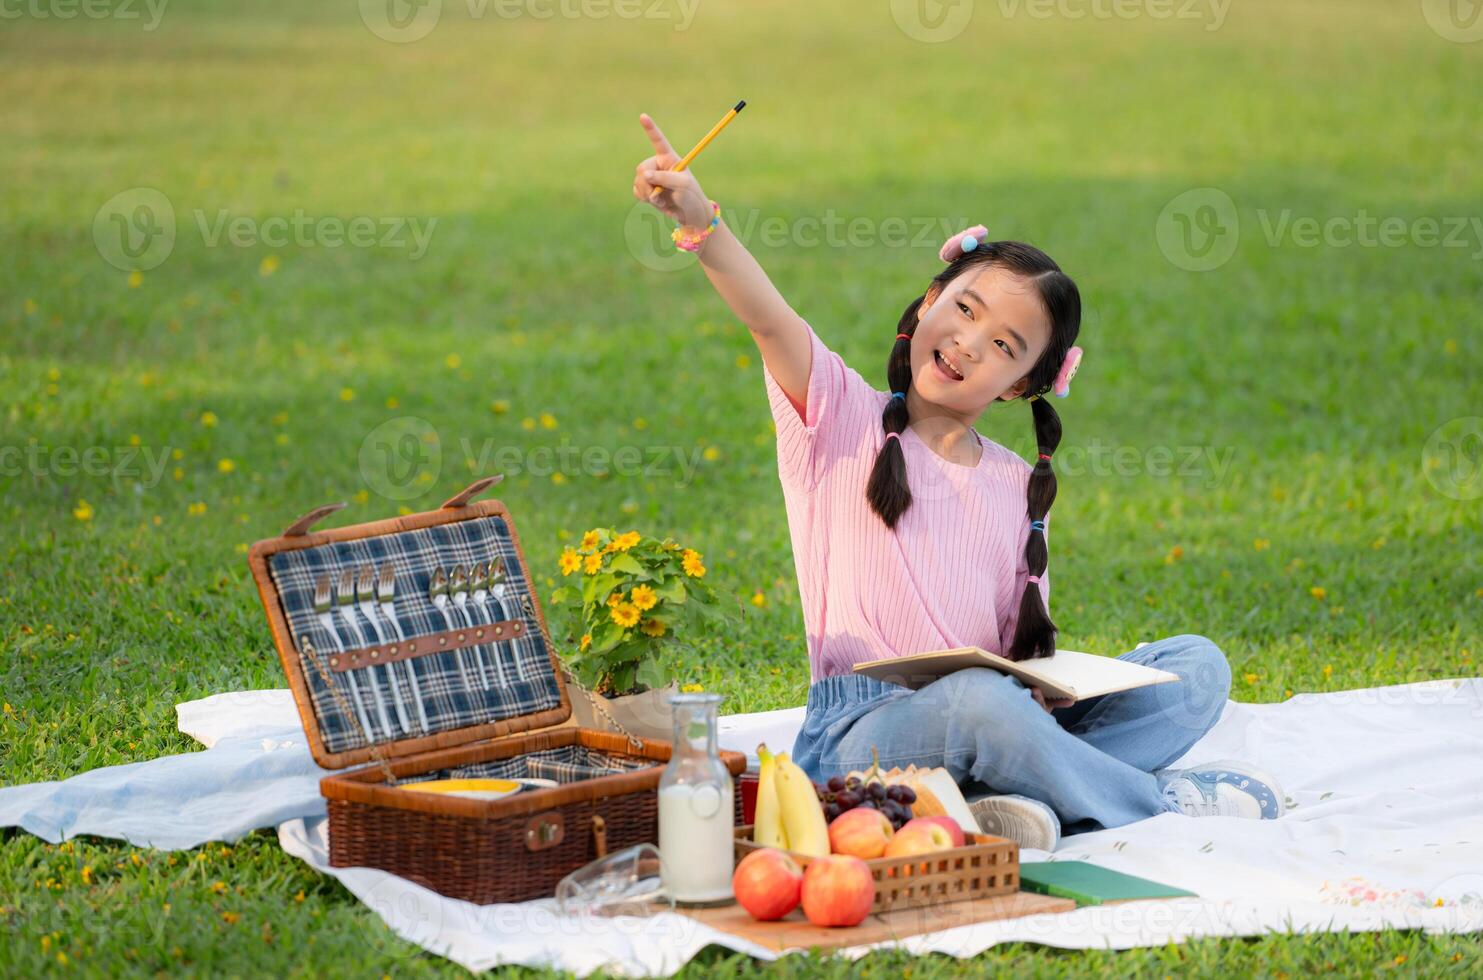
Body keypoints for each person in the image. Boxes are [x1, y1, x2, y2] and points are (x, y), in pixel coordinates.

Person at [631, 112, 1285, 850]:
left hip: (996, 710)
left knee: (1194, 667)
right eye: (963, 310)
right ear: (926, 304)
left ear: (1020, 384)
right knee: (979, 704)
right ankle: (1151, 803)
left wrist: (1041, 686)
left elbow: (1019, 653)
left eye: (1002, 345)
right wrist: (699, 222)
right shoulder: (837, 418)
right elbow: (769, 320)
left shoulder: (1016, 485)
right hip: (858, 738)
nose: (968, 344)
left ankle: (1016, 796)